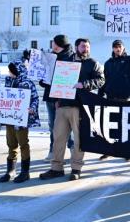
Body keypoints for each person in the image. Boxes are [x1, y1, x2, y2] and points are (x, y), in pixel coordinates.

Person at [39, 38, 104, 181]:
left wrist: (84, 84)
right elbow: (54, 80)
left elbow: (101, 80)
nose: (85, 49)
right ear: (76, 47)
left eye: (87, 47)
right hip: (62, 105)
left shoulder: (92, 63)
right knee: (58, 138)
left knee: (79, 140)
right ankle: (56, 168)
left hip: (80, 106)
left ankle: (76, 168)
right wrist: (55, 98)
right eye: (83, 47)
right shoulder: (65, 61)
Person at [98, 30, 130, 160]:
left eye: (120, 47)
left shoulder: (129, 60)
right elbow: (104, 81)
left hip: (125, 99)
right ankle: (109, 150)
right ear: (113, 49)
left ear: (123, 48)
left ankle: (127, 152)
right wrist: (100, 95)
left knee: (126, 127)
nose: (117, 49)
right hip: (110, 98)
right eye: (115, 47)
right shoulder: (108, 63)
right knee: (109, 126)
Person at [0, 59, 40, 183]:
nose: (9, 72)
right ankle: (10, 171)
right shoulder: (8, 81)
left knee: (23, 143)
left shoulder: (27, 83)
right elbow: (3, 97)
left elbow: (35, 98)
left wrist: (32, 108)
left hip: (22, 119)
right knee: (11, 143)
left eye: (11, 70)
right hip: (9, 117)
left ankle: (25, 172)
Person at [38, 35, 75, 161]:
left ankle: (72, 147)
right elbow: (43, 75)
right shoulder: (49, 56)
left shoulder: (71, 57)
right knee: (52, 125)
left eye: (55, 43)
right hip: (50, 96)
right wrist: (42, 80)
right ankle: (53, 150)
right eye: (53, 43)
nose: (53, 45)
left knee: (66, 125)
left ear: (61, 44)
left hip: (65, 97)